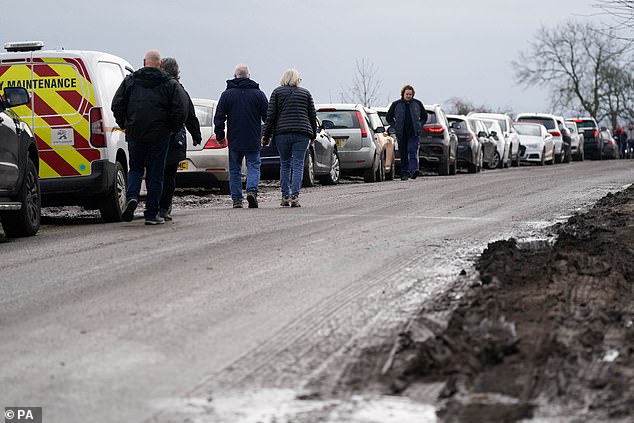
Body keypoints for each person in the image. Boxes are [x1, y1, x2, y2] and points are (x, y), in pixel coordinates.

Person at [112, 49, 188, 225]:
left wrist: (125, 123)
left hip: (136, 133)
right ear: (160, 64)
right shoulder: (169, 84)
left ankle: (131, 197)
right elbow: (181, 109)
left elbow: (116, 104)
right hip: (160, 135)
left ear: (144, 61)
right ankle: (152, 214)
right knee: (156, 173)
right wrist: (172, 129)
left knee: (136, 168)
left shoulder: (130, 81)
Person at [213, 64, 268, 208]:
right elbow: (268, 117)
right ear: (249, 76)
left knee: (235, 168)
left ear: (235, 76)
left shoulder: (227, 95)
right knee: (254, 165)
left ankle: (237, 199)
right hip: (252, 137)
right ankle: (251, 190)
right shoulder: (259, 94)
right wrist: (266, 134)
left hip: (235, 138)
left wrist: (220, 135)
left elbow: (219, 117)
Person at [262, 69, 317, 208]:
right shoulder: (306, 93)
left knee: (285, 163)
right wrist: (313, 135)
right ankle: (295, 196)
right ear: (297, 79)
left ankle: (285, 196)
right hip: (302, 133)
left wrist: (266, 135)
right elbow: (312, 116)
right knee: (298, 164)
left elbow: (271, 116)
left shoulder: (277, 92)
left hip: (282, 134)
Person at [158, 57, 202, 221]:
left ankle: (155, 206)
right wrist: (195, 134)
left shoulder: (155, 89)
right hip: (175, 138)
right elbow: (189, 113)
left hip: (155, 137)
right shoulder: (180, 90)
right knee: (169, 174)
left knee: (156, 173)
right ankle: (164, 208)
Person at [386, 85, 427, 180]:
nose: (409, 96)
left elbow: (424, 116)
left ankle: (414, 170)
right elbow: (389, 117)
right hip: (401, 133)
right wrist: (395, 126)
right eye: (407, 94)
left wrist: (420, 125)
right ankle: (404, 173)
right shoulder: (396, 104)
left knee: (412, 151)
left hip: (414, 133)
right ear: (403, 94)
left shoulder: (417, 104)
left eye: (410, 94)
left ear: (413, 95)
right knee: (403, 154)